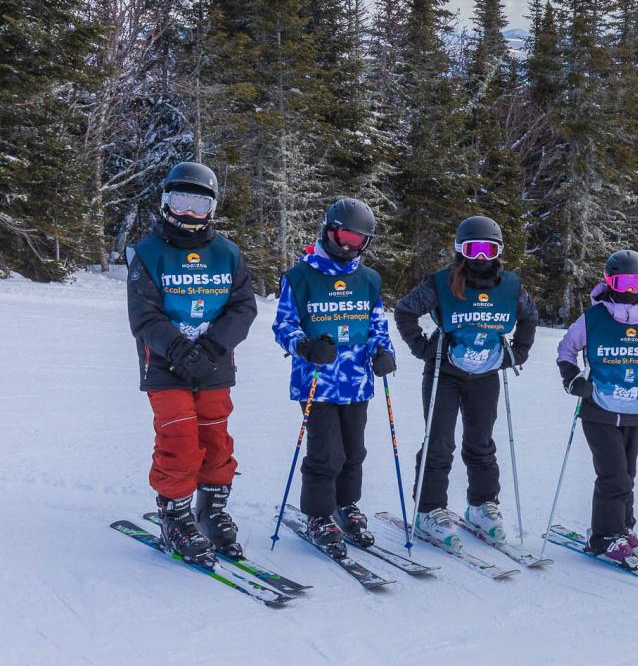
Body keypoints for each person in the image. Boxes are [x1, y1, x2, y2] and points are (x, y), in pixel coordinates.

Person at [126, 162, 257, 563]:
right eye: (181, 203)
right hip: (167, 366)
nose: (189, 214)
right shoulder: (148, 254)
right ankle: (177, 515)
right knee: (180, 442)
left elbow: (243, 307)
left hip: (215, 363)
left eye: (198, 205)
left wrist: (213, 346)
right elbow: (144, 315)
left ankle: (211, 508)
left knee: (216, 441)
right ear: (166, 203)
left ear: (212, 209)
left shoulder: (228, 254)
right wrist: (180, 349)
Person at [394, 217, 539, 550]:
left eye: (489, 249)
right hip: (444, 373)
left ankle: (481, 506)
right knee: (439, 442)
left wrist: (518, 352)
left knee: (481, 442)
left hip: (485, 373)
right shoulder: (442, 282)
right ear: (460, 250)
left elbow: (529, 315)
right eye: (473, 249)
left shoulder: (511, 286)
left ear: (499, 252)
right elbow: (404, 310)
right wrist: (421, 347)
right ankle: (429, 510)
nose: (481, 257)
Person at [272, 198, 396, 559]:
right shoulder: (299, 277)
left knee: (354, 451)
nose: (347, 245)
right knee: (326, 453)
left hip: (357, 381)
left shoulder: (369, 279)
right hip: (317, 380)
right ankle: (318, 515)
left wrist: (383, 352)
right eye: (343, 235)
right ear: (328, 229)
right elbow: (283, 326)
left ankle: (346, 504)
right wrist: (305, 346)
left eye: (357, 240)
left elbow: (377, 325)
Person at [556, 250, 638, 568]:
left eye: (634, 282)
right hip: (598, 409)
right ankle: (604, 537)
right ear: (609, 282)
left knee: (627, 474)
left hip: (636, 410)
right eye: (620, 282)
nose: (627, 289)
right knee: (614, 476)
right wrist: (573, 381)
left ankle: (623, 528)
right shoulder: (593, 319)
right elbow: (567, 348)